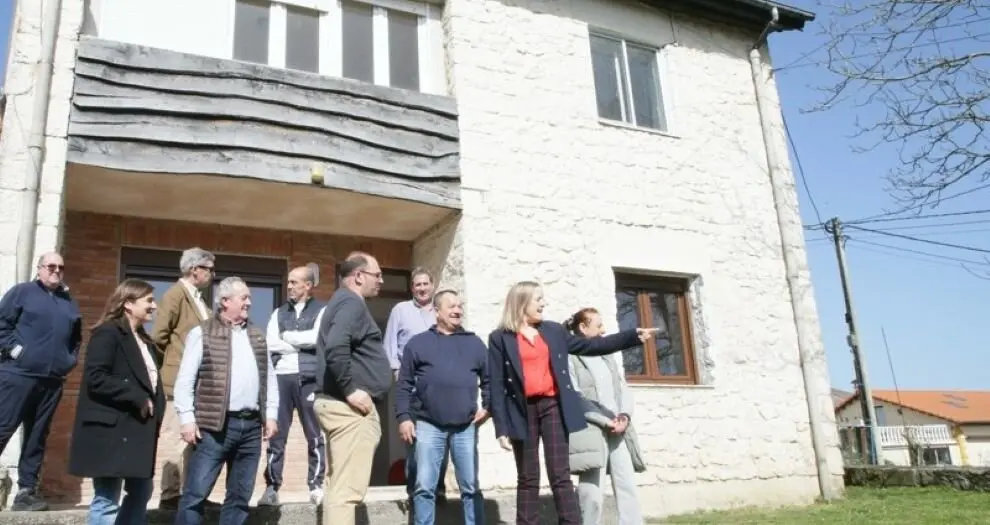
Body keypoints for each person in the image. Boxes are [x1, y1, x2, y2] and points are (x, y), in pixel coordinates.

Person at [486, 281, 657, 525]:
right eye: (538, 299)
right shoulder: (499, 338)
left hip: (552, 407)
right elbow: (496, 383)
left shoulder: (554, 331)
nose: (544, 303)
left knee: (560, 475)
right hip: (521, 411)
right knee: (528, 478)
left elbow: (591, 345)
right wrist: (501, 427)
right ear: (522, 303)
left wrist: (631, 337)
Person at [172, 277, 279, 525]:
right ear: (224, 301)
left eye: (250, 297)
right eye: (244, 298)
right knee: (195, 495)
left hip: (251, 427)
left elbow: (269, 378)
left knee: (240, 497)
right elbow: (185, 380)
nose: (249, 303)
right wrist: (187, 419)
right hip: (215, 428)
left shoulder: (256, 335)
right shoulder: (202, 332)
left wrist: (271, 414)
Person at [69, 279, 166, 525]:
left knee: (142, 492)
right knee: (107, 498)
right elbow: (96, 377)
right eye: (149, 300)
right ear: (128, 304)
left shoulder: (144, 340)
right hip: (111, 431)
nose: (154, 306)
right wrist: (137, 397)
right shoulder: (108, 333)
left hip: (137, 431)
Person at [395, 290, 489, 525]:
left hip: (465, 426)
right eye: (451, 306)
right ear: (436, 311)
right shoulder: (418, 343)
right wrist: (404, 417)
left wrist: (488, 407)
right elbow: (403, 384)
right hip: (428, 424)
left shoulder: (474, 343)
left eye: (459, 306)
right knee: (425, 487)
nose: (458, 310)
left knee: (470, 486)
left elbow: (490, 379)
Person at [0, 252, 82, 511]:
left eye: (61, 267)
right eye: (51, 266)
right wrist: (17, 352)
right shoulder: (22, 292)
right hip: (18, 376)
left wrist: (68, 362)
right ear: (39, 269)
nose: (56, 271)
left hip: (52, 381)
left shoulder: (68, 302)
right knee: (3, 428)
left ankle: (26, 493)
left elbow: (76, 339)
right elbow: (2, 326)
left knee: (36, 437)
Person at [314, 253, 391, 525]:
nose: (381, 280)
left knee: (338, 488)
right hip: (348, 409)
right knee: (346, 492)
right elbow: (336, 347)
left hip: (340, 406)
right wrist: (350, 390)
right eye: (377, 274)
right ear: (358, 276)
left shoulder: (341, 302)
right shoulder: (350, 303)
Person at [564, 308, 646, 525]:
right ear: (583, 327)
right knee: (591, 492)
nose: (604, 330)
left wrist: (625, 416)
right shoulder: (571, 357)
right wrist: (604, 421)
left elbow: (622, 387)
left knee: (626, 484)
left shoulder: (607, 354)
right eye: (598, 325)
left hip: (619, 428)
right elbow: (574, 394)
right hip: (592, 430)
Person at [151, 247, 215, 510]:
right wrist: (172, 365)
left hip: (198, 383)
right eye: (209, 269)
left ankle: (193, 493)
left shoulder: (198, 299)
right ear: (194, 270)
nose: (212, 274)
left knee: (194, 440)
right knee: (177, 437)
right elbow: (158, 337)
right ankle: (170, 494)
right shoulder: (175, 295)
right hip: (177, 381)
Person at [258, 265, 328, 507]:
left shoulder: (322, 311)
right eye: (288, 282)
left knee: (315, 434)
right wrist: (299, 343)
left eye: (294, 282)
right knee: (275, 435)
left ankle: (316, 485)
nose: (288, 286)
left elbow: (317, 339)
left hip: (309, 378)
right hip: (281, 378)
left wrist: (287, 338)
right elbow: (271, 343)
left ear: (308, 285)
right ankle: (271, 487)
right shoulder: (278, 313)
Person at [382, 267, 449, 504]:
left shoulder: (441, 312)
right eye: (417, 284)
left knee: (441, 438)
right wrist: (398, 373)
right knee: (414, 440)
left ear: (432, 286)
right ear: (412, 287)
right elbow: (389, 346)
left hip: (440, 388)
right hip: (411, 387)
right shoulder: (400, 310)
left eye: (425, 284)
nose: (421, 288)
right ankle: (414, 490)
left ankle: (438, 489)